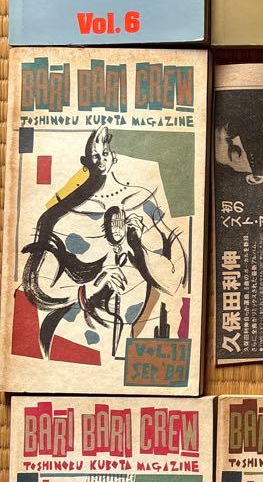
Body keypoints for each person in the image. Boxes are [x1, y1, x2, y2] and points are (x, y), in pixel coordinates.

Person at [20, 126, 188, 360]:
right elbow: (38, 289)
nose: (100, 161)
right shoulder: (59, 217)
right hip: (75, 341)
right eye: (95, 156)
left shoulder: (143, 202)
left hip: (131, 339)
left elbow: (175, 280)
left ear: (114, 156)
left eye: (105, 154)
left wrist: (137, 247)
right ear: (85, 162)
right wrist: (92, 286)